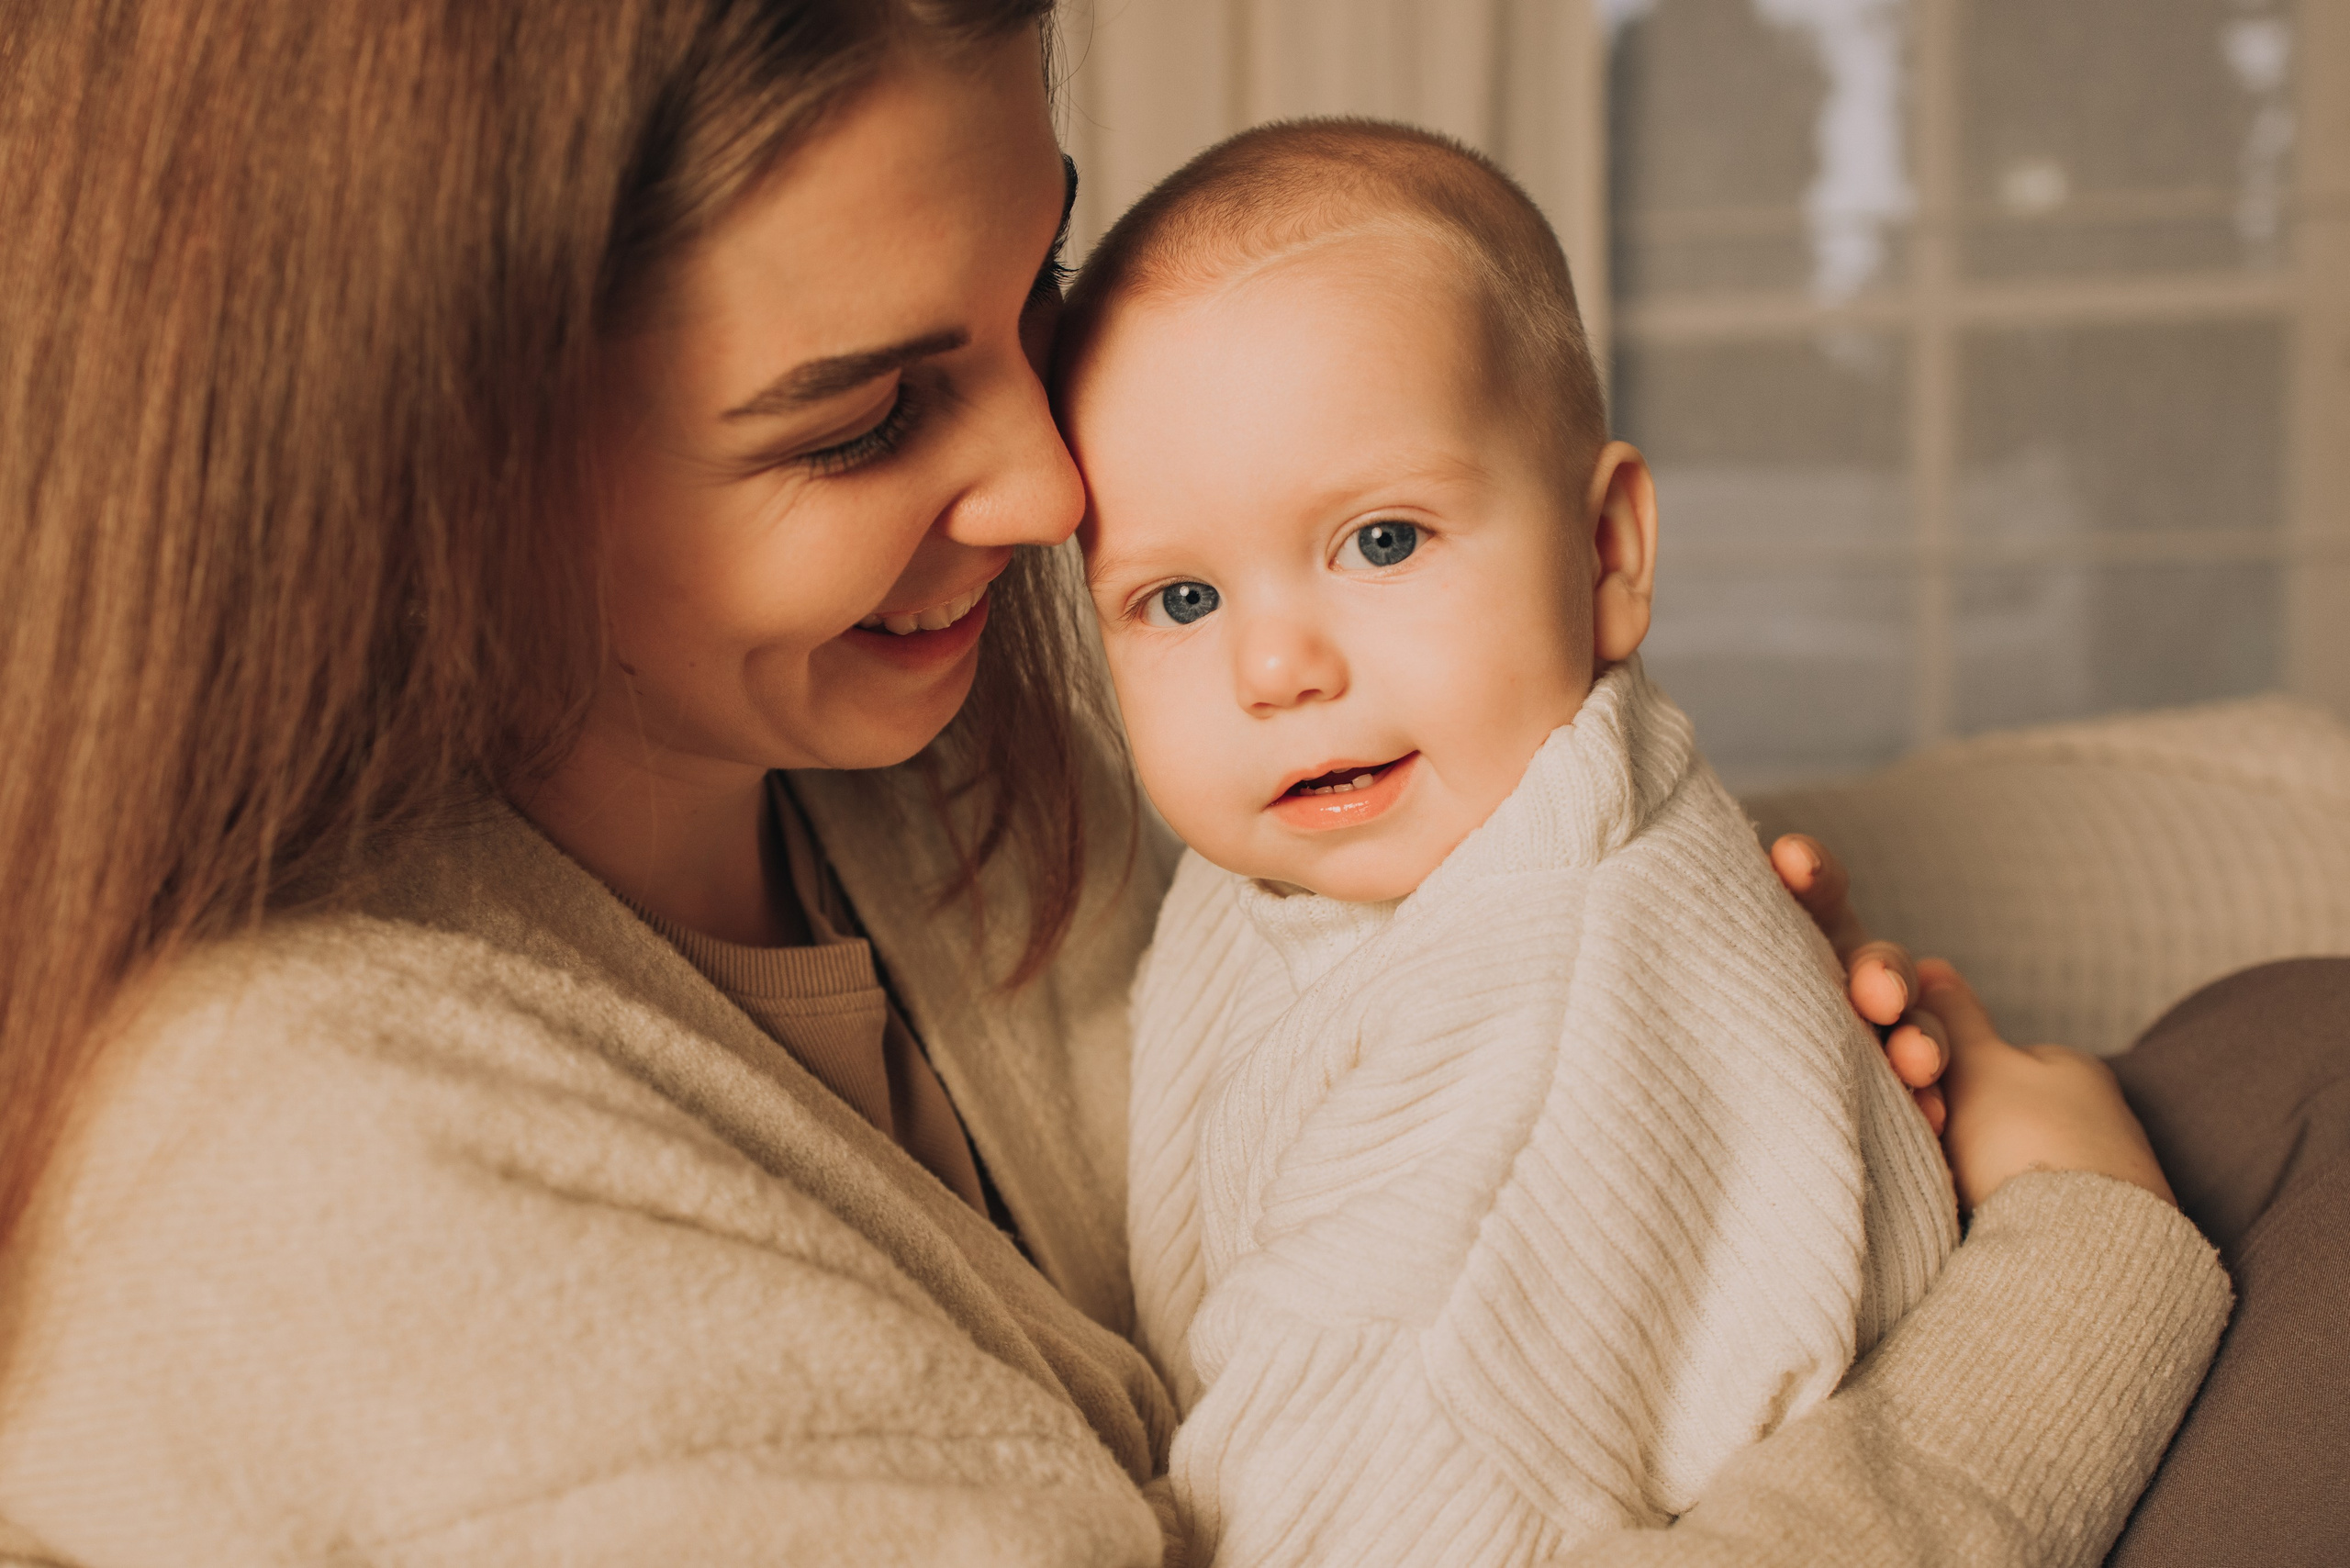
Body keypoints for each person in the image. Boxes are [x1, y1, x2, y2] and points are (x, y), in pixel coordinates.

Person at [0, 3, 2230, 1563]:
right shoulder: (315, 1158)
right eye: (866, 411)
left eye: (1034, 294)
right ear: (428, 463)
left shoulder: (881, 749)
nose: (1063, 481)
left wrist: (1652, 994)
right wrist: (2076, 1275)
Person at [1055, 120, 1960, 1565]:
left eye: (1384, 541)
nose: (1274, 669)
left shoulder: (1510, 1081)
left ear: (1606, 553)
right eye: (1179, 601)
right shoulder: (1341, 834)